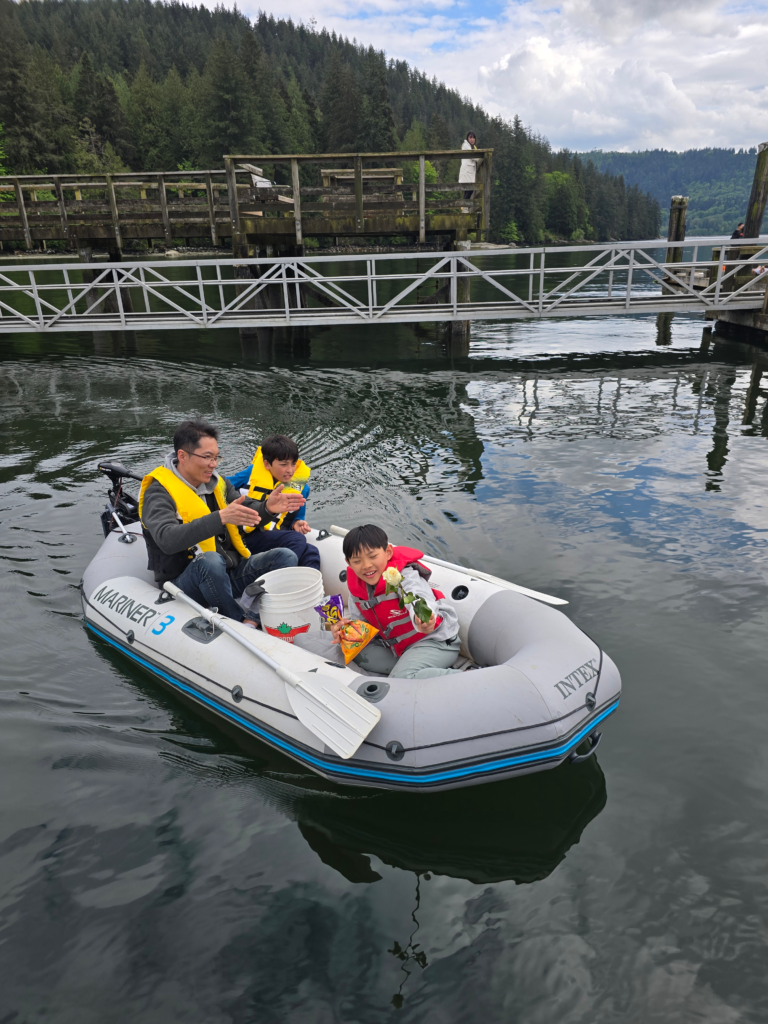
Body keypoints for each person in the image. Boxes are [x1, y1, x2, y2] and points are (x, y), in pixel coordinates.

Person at [138, 419, 304, 624]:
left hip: (228, 572)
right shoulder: (158, 492)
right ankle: (238, 622)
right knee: (210, 561)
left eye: (216, 457)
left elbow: (245, 506)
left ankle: (256, 616)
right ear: (182, 456)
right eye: (207, 457)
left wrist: (268, 508)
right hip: (185, 583)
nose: (214, 464)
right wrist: (220, 518)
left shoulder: (218, 482)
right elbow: (166, 539)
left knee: (285, 556)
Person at [333, 524, 462, 679]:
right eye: (357, 561)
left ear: (388, 552)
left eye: (373, 556)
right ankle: (411, 668)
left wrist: (423, 618)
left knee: (402, 677)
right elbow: (362, 626)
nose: (366, 565)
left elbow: (418, 596)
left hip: (435, 641)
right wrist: (345, 632)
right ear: (349, 563)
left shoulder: (404, 576)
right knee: (350, 649)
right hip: (399, 647)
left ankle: (468, 676)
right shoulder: (357, 591)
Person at [229, 434, 321, 571]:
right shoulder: (250, 474)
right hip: (247, 535)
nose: (290, 470)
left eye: (293, 464)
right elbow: (222, 489)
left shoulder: (302, 488)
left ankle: (307, 589)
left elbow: (297, 517)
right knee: (297, 540)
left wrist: (297, 523)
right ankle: (278, 581)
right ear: (267, 464)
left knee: (311, 552)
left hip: (274, 535)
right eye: (283, 464)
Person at [459, 130, 479, 209]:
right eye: (470, 137)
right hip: (467, 172)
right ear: (467, 138)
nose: (472, 139)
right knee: (470, 189)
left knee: (468, 190)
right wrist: (480, 156)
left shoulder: (472, 147)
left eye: (473, 138)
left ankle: (464, 207)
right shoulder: (466, 145)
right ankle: (464, 206)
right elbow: (474, 156)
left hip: (469, 172)